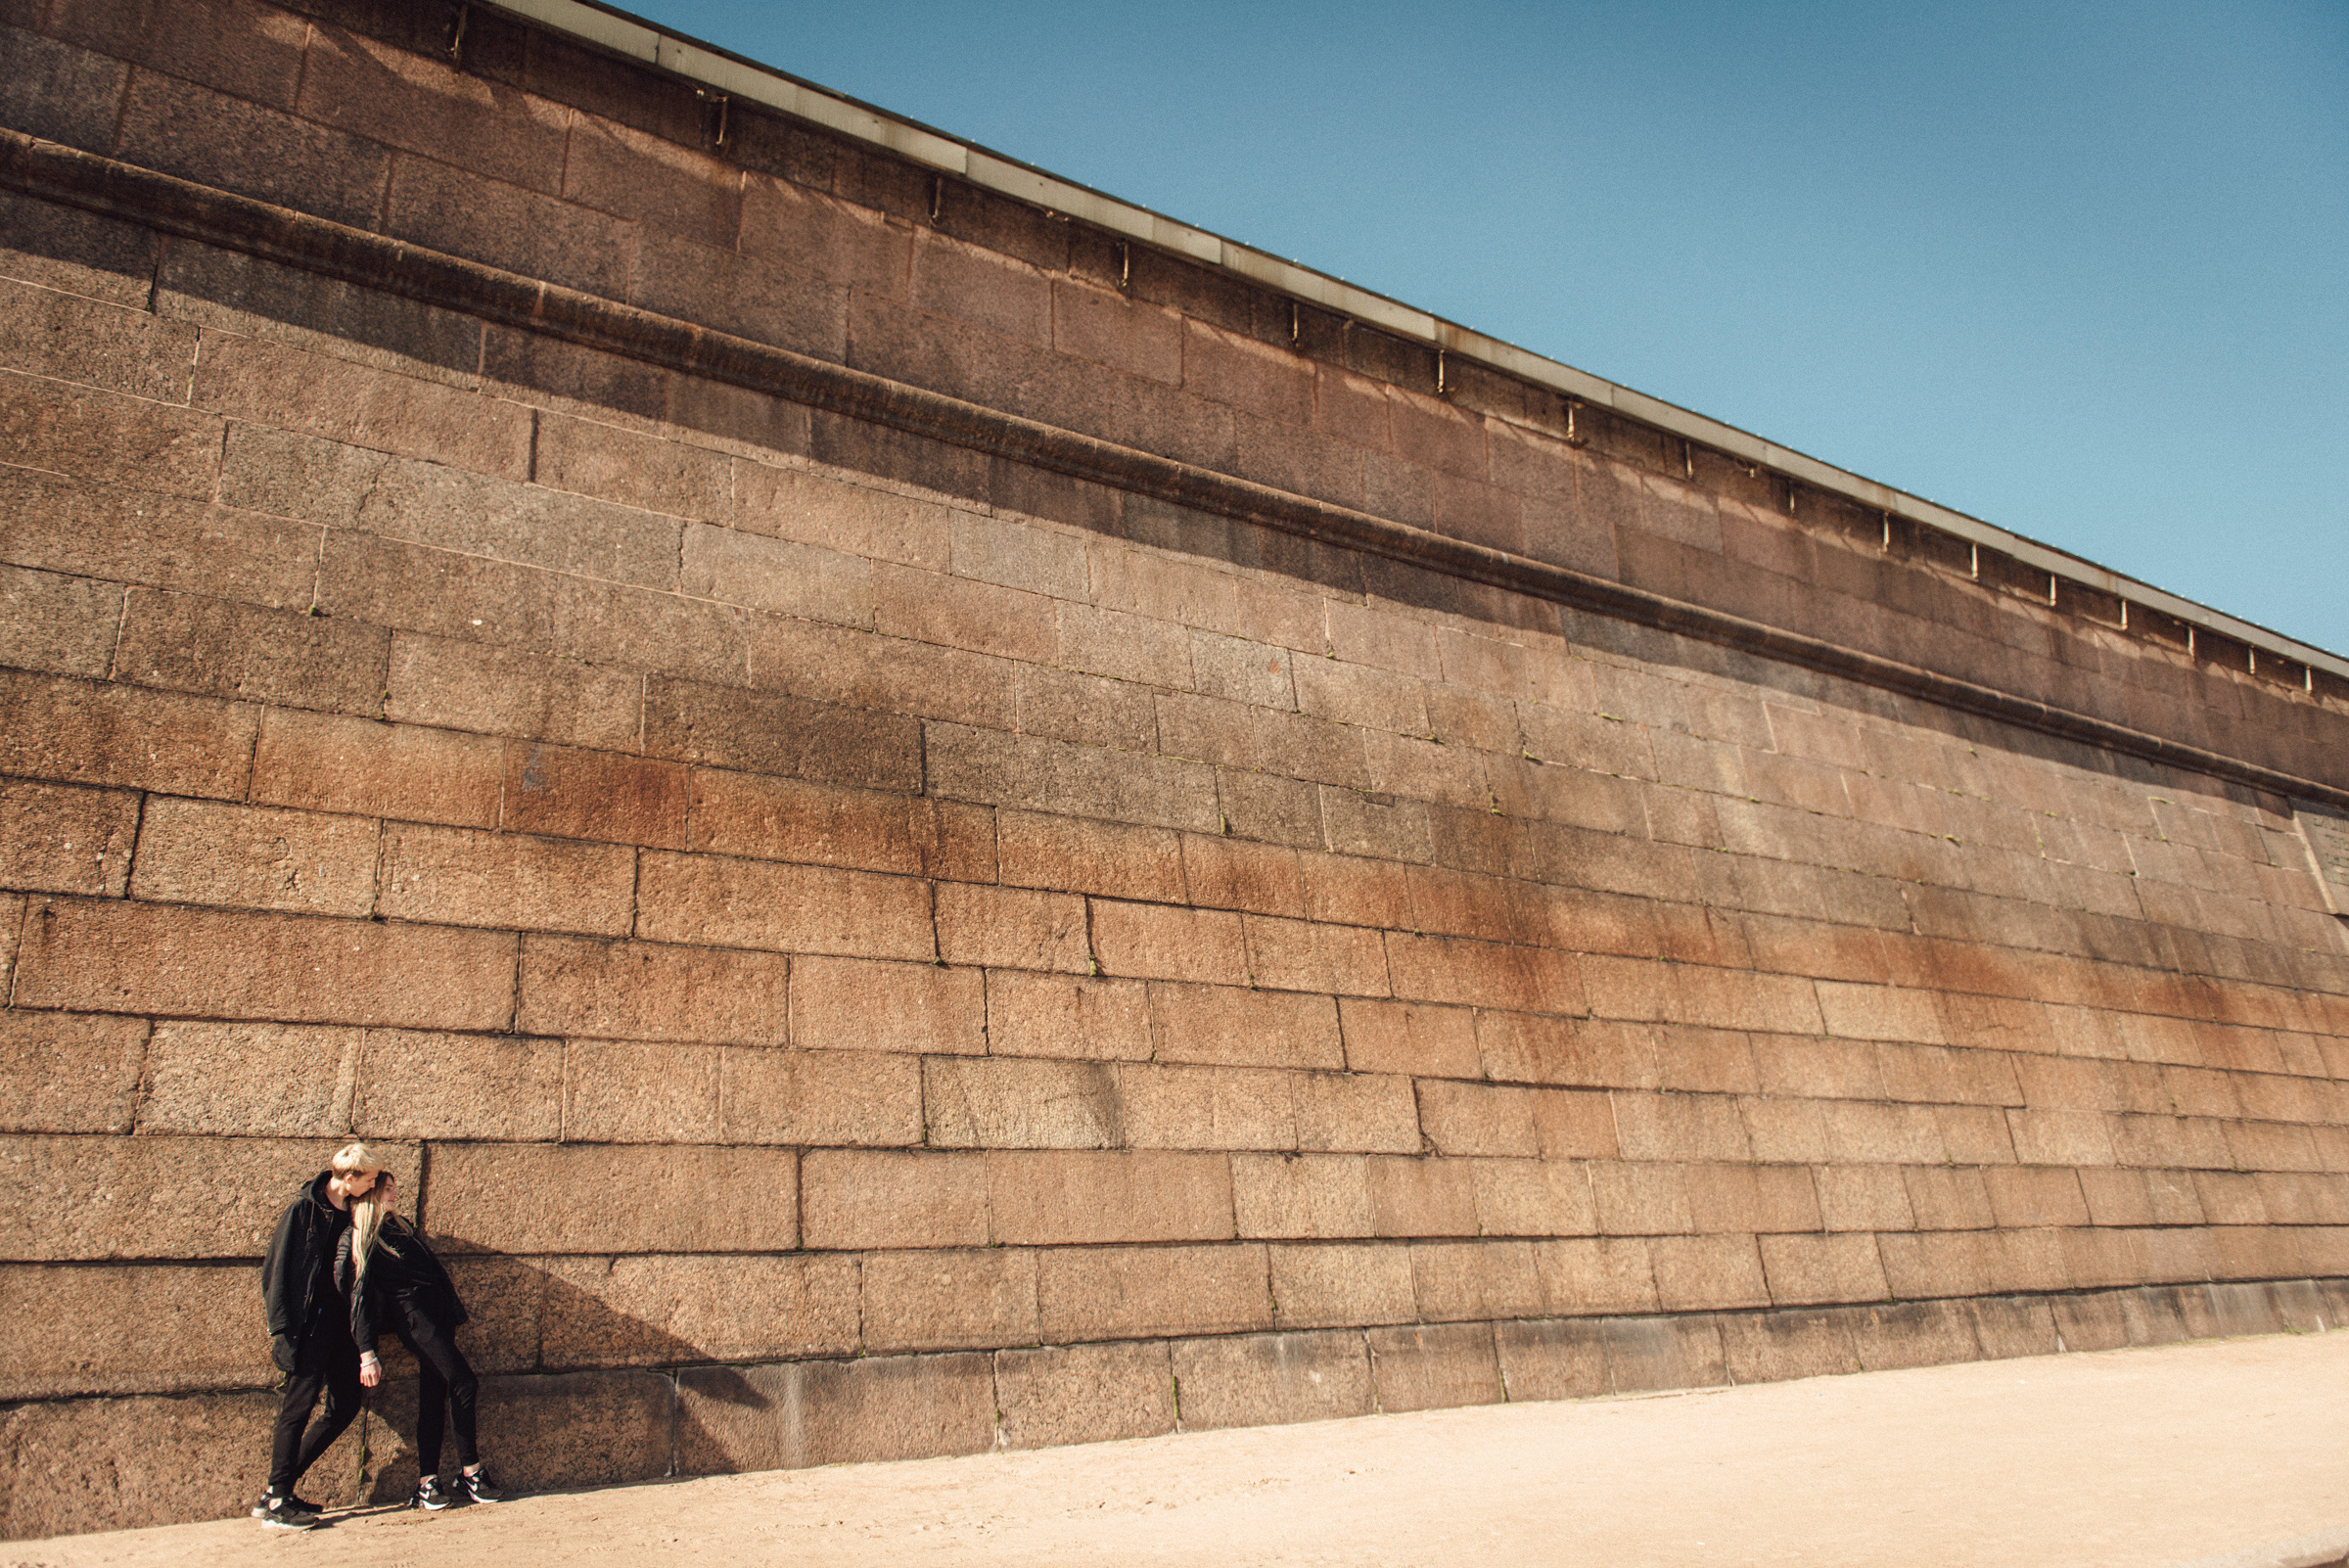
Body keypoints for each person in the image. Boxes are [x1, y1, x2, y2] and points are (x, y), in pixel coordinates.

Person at [337, 1168, 505, 1510]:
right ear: (371, 1195)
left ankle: (427, 1483)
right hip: (417, 1323)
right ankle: (470, 1472)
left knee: (433, 1396)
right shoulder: (363, 1237)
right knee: (464, 1383)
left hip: (438, 1319)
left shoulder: (399, 1229)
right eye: (387, 1190)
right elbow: (360, 1298)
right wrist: (366, 1351)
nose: (394, 1196)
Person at [254, 1141, 386, 1531]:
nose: (373, 1185)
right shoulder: (304, 1210)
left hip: (342, 1327)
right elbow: (275, 1272)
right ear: (349, 1177)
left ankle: (278, 1489)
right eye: (370, 1179)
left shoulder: (356, 1210)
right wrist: (280, 1328)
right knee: (297, 1409)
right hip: (308, 1325)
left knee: (345, 1406)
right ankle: (278, 1499)